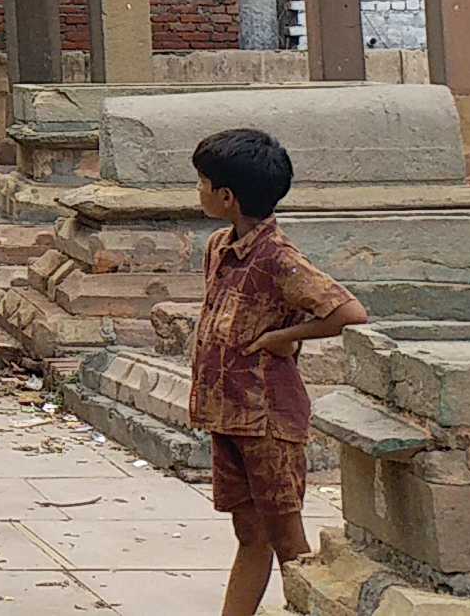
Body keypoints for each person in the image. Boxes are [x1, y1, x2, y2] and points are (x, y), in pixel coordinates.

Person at [191, 127, 369, 616]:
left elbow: (348, 312)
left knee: (287, 538)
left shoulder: (279, 258)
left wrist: (282, 338)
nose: (199, 192)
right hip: (226, 414)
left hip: (268, 418)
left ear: (226, 197)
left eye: (203, 184)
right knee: (249, 533)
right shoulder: (218, 248)